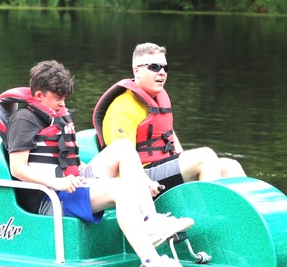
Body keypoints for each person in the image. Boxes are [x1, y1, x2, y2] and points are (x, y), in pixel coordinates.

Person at [0, 59, 198, 267]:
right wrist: (58, 183)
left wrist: (141, 180)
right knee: (121, 190)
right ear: (38, 96)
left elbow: (67, 160)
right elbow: (17, 169)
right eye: (57, 99)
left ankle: (150, 221)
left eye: (64, 98)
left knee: (122, 147)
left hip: (72, 183)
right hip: (51, 196)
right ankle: (152, 263)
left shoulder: (58, 115)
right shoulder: (24, 120)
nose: (62, 104)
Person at [93, 42, 246, 192]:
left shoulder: (157, 98)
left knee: (231, 166)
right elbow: (122, 162)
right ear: (136, 71)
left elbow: (168, 132)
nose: (162, 72)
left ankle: (246, 214)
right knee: (205, 156)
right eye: (154, 67)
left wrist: (185, 163)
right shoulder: (123, 108)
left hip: (162, 167)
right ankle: (206, 214)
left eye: (165, 68)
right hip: (141, 175)